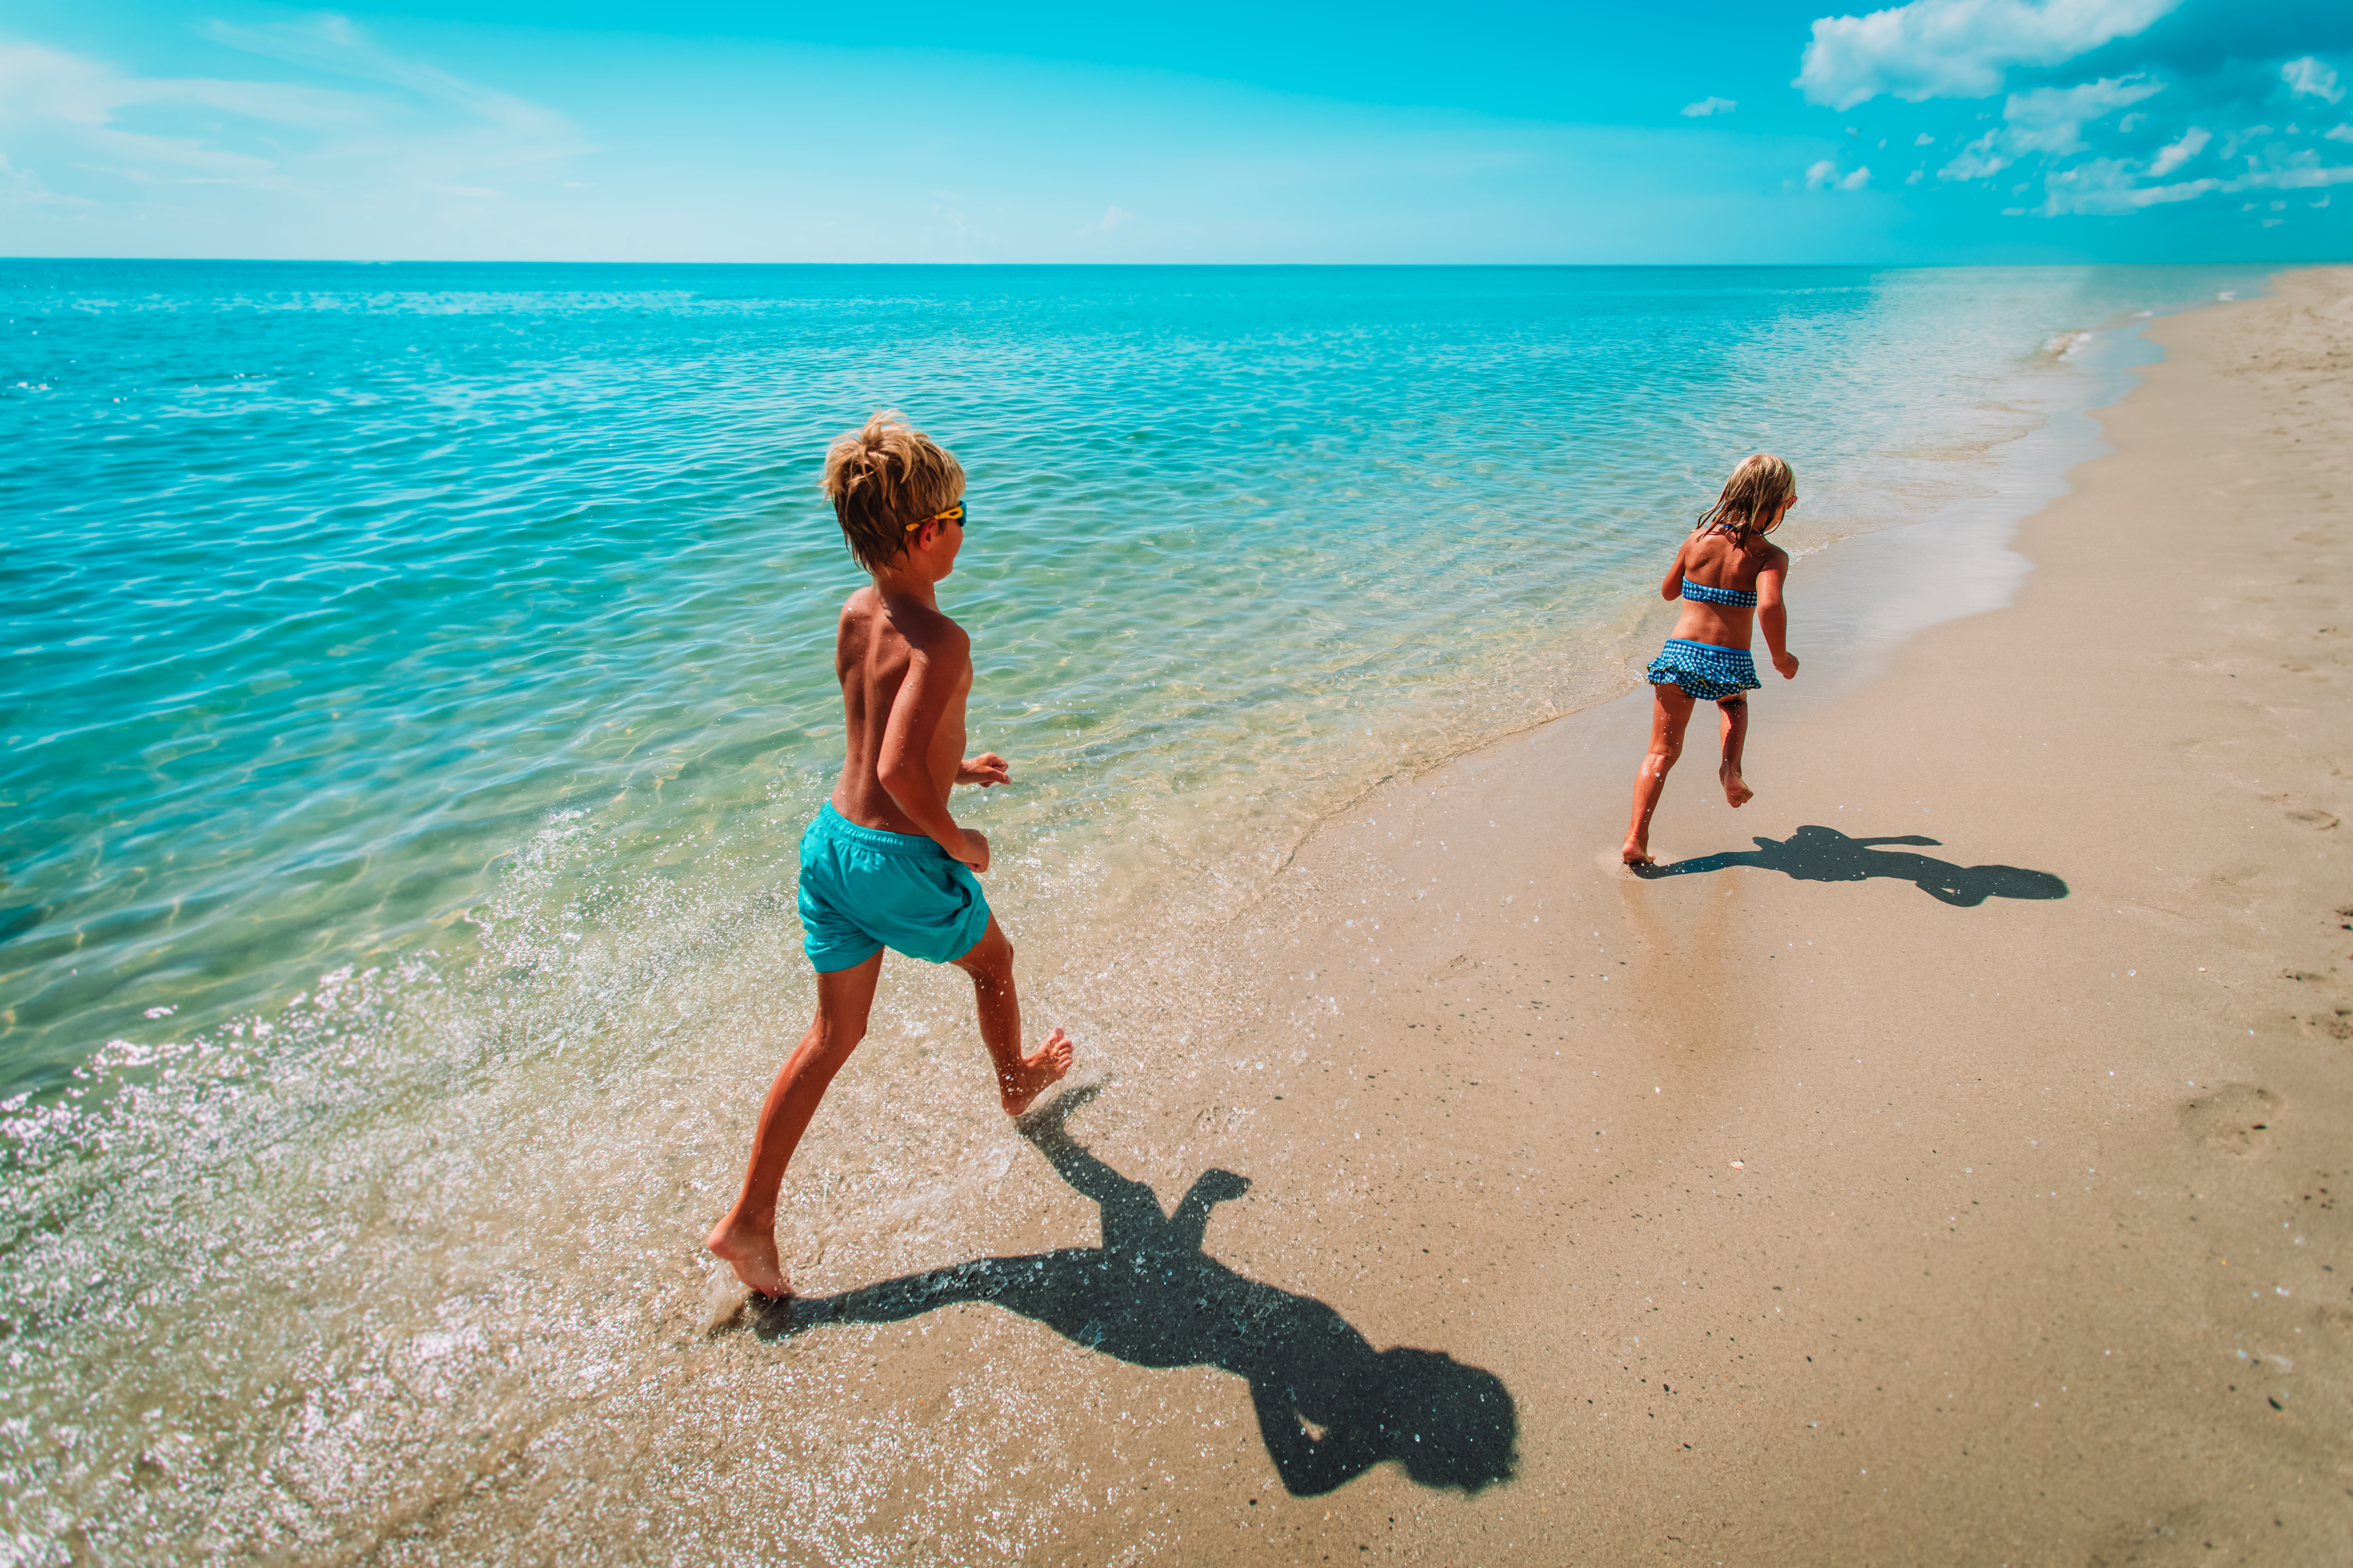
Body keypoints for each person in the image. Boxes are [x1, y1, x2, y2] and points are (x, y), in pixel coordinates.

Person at [706, 411, 1074, 1299]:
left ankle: (748, 1221)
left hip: (830, 847)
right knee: (994, 963)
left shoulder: (856, 612)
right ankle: (1015, 1080)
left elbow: (877, 732)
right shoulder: (945, 643)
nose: (963, 532)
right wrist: (960, 840)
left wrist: (960, 764)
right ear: (924, 535)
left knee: (833, 1035)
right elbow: (899, 767)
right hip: (899, 860)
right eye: (960, 518)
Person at [1621, 453, 1801, 868]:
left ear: (1731, 494)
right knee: (1733, 705)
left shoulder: (1697, 539)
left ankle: (1635, 837)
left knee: (1661, 752)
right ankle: (1729, 769)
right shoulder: (1768, 556)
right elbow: (1769, 606)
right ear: (1781, 504)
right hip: (1728, 659)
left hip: (1678, 656)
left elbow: (1669, 591)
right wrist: (1780, 656)